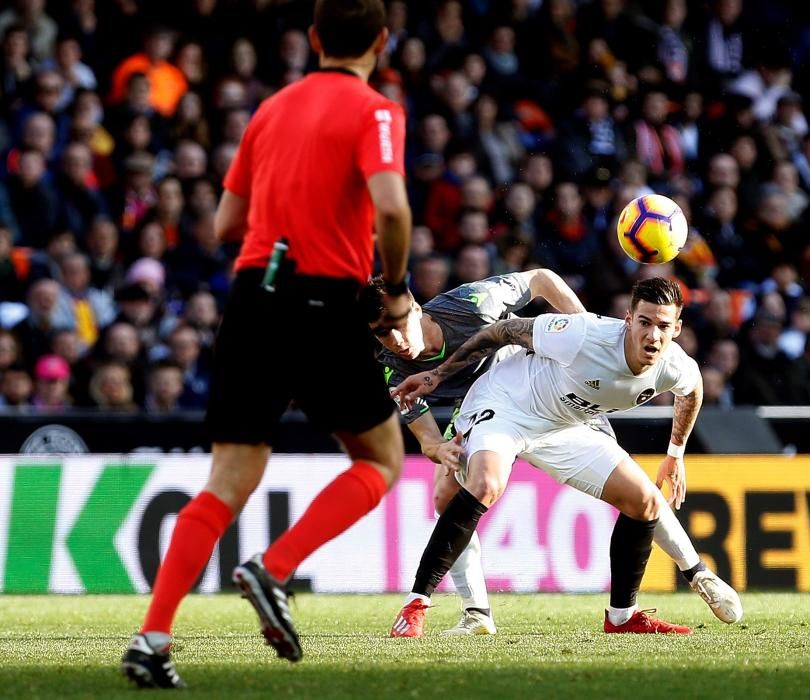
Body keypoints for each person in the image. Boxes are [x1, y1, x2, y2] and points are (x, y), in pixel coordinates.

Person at [122, 0, 413, 688]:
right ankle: (274, 568)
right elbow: (394, 206)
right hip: (321, 300)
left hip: (252, 298)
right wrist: (395, 289)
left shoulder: (270, 109)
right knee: (381, 458)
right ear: (382, 41)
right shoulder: (376, 111)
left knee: (226, 480)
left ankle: (152, 640)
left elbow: (226, 223)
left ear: (313, 39)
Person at [388, 278, 742, 638]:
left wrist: (675, 454)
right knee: (485, 484)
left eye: (664, 326)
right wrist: (437, 374)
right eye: (645, 323)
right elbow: (504, 330)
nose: (653, 336)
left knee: (646, 502)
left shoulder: (676, 366)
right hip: (507, 404)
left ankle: (622, 617)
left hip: (564, 426)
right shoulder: (583, 335)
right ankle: (417, 604)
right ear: (628, 319)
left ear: (677, 328)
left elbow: (692, 391)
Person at [364, 268, 586, 635]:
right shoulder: (392, 365)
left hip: (535, 381)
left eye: (398, 324)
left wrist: (585, 329)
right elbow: (426, 436)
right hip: (481, 404)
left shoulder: (473, 305)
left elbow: (543, 279)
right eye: (382, 332)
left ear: (417, 310)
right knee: (445, 494)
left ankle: (645, 595)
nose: (395, 340)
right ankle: (476, 613)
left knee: (622, 483)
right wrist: (440, 450)